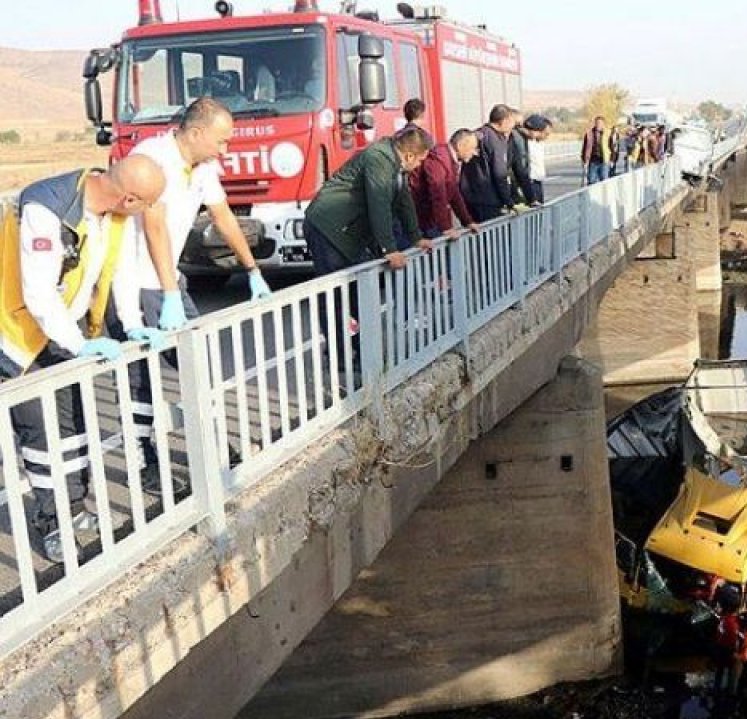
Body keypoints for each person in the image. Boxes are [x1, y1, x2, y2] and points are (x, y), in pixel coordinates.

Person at [1, 156, 166, 563]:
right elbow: (38, 294)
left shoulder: (114, 215)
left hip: (64, 332)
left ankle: (74, 507)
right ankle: (51, 521)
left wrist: (130, 323)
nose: (148, 213)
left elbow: (120, 273)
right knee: (39, 432)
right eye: (146, 204)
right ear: (128, 197)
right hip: (18, 334)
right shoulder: (46, 208)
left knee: (73, 422)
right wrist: (79, 346)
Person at [122, 97, 272, 495]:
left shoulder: (203, 166)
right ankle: (144, 462)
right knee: (141, 378)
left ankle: (214, 447)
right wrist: (169, 294)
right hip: (138, 280)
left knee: (198, 366)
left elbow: (223, 217)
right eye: (221, 141)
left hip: (169, 279)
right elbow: (153, 229)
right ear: (197, 132)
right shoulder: (152, 159)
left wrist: (252, 270)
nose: (225, 150)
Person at [303, 126, 435, 375]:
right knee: (335, 294)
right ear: (408, 155)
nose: (419, 165)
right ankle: (340, 355)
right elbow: (379, 203)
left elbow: (403, 201)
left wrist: (416, 237)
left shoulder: (394, 165)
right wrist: (390, 248)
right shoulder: (379, 159)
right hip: (328, 227)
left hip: (347, 232)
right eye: (419, 159)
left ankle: (359, 350)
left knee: (356, 293)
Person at [412, 128, 480, 239]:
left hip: (432, 221)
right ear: (460, 145)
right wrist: (446, 227)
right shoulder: (439, 159)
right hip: (426, 222)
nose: (475, 153)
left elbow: (454, 194)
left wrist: (467, 221)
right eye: (472, 148)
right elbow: (438, 194)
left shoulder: (449, 160)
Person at [461, 104, 518, 221]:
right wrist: (508, 201)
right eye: (513, 123)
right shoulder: (496, 140)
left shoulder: (476, 134)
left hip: (469, 197)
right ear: (505, 120)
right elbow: (499, 174)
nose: (513, 127)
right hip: (488, 200)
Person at [507, 110, 537, 206]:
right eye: (517, 125)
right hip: (512, 183)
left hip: (518, 181)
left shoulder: (513, 138)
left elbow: (519, 166)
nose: (521, 128)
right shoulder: (514, 137)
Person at [522, 114, 553, 205]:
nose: (546, 137)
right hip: (529, 181)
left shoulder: (539, 143)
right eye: (545, 133)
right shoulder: (525, 142)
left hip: (538, 179)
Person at [580, 115, 612, 184]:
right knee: (591, 180)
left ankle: (603, 194)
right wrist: (584, 160)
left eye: (600, 123)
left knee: (604, 181)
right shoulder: (589, 134)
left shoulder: (608, 133)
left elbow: (611, 147)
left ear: (603, 124)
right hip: (593, 161)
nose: (598, 125)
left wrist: (612, 159)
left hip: (604, 161)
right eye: (597, 123)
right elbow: (584, 148)